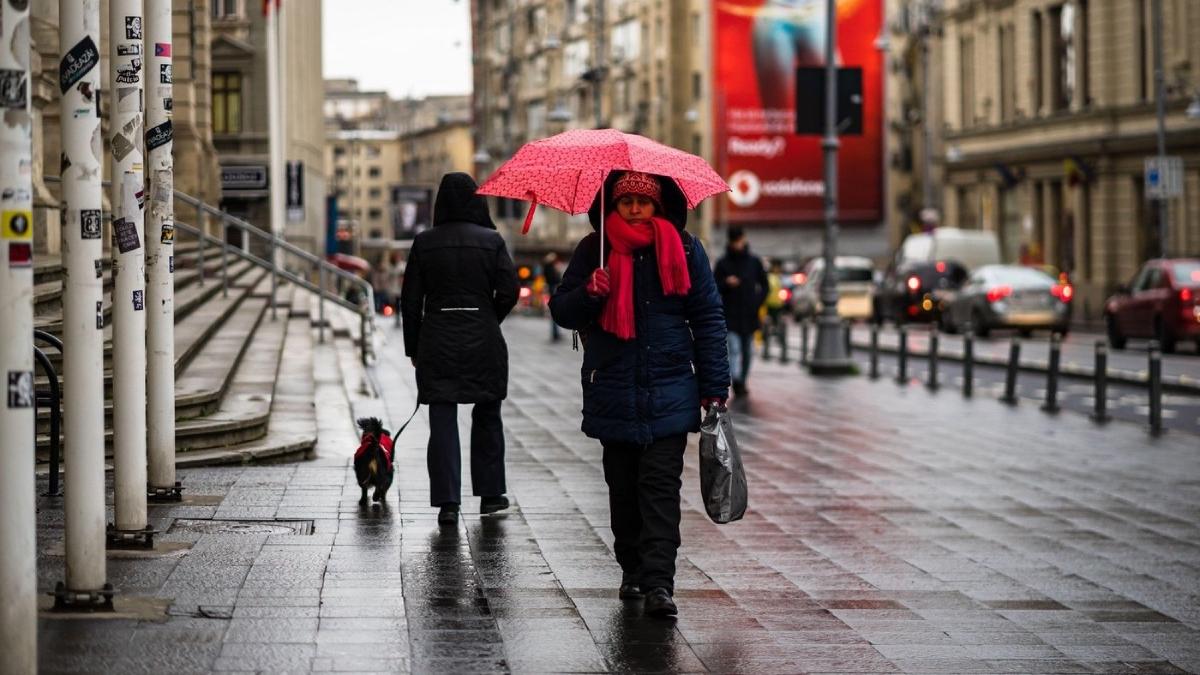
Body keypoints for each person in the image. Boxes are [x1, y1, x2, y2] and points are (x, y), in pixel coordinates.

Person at [550, 171, 730, 618]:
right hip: (612, 385)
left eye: (642, 200)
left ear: (659, 205)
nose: (633, 208)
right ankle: (631, 568)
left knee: (660, 490)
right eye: (625, 199)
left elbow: (708, 318)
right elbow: (562, 311)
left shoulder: (685, 250)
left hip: (670, 387)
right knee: (623, 489)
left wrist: (714, 387)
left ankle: (658, 584)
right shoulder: (594, 249)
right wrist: (591, 293)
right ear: (611, 205)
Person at [401, 172, 520, 526]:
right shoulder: (492, 240)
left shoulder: (424, 242)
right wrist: (488, 317)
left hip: (437, 337)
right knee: (487, 414)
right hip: (483, 336)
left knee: (442, 419)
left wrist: (414, 346)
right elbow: (510, 290)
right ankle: (491, 494)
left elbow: (410, 301)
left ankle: (448, 502)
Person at [714, 227, 768, 395]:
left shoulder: (753, 262)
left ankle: (742, 380)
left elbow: (765, 285)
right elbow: (713, 287)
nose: (738, 244)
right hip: (730, 314)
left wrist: (757, 302)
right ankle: (736, 380)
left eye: (739, 240)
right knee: (734, 349)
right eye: (735, 241)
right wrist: (726, 283)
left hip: (749, 314)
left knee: (748, 351)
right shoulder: (723, 263)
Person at [762, 259, 788, 362]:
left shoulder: (777, 278)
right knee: (769, 324)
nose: (778, 269)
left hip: (777, 304)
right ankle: (767, 340)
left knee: (776, 324)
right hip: (769, 305)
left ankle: (774, 338)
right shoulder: (770, 277)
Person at [543, 252, 563, 342]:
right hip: (553, 289)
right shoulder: (551, 268)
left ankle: (556, 333)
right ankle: (555, 334)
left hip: (552, 290)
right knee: (555, 313)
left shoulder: (546, 267)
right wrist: (558, 271)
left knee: (554, 313)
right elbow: (556, 279)